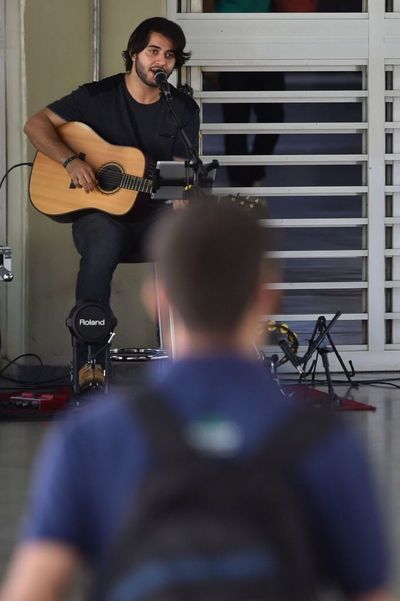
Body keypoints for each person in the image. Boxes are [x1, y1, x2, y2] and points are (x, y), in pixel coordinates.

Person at [0, 204, 396, 601]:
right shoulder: (326, 443)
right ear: (268, 295)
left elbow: (33, 589)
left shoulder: (90, 436)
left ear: (156, 298)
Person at [24, 16, 200, 391]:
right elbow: (36, 125)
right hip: (99, 216)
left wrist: (184, 198)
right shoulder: (95, 97)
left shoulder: (182, 110)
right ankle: (91, 366)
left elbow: (181, 173)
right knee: (102, 241)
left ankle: (193, 364)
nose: (161, 62)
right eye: (154, 51)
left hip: (155, 217)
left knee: (190, 241)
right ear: (134, 53)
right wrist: (71, 160)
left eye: (170, 56)